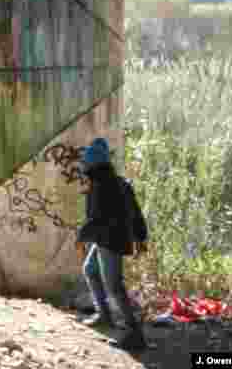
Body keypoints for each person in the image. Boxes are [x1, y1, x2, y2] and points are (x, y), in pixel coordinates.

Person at [75, 137, 149, 350]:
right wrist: (140, 237)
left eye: (86, 163)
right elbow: (135, 212)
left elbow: (96, 219)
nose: (84, 166)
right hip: (107, 238)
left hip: (110, 241)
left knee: (114, 286)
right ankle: (104, 315)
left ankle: (134, 334)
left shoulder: (101, 187)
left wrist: (80, 237)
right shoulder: (118, 182)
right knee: (90, 270)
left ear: (94, 164)